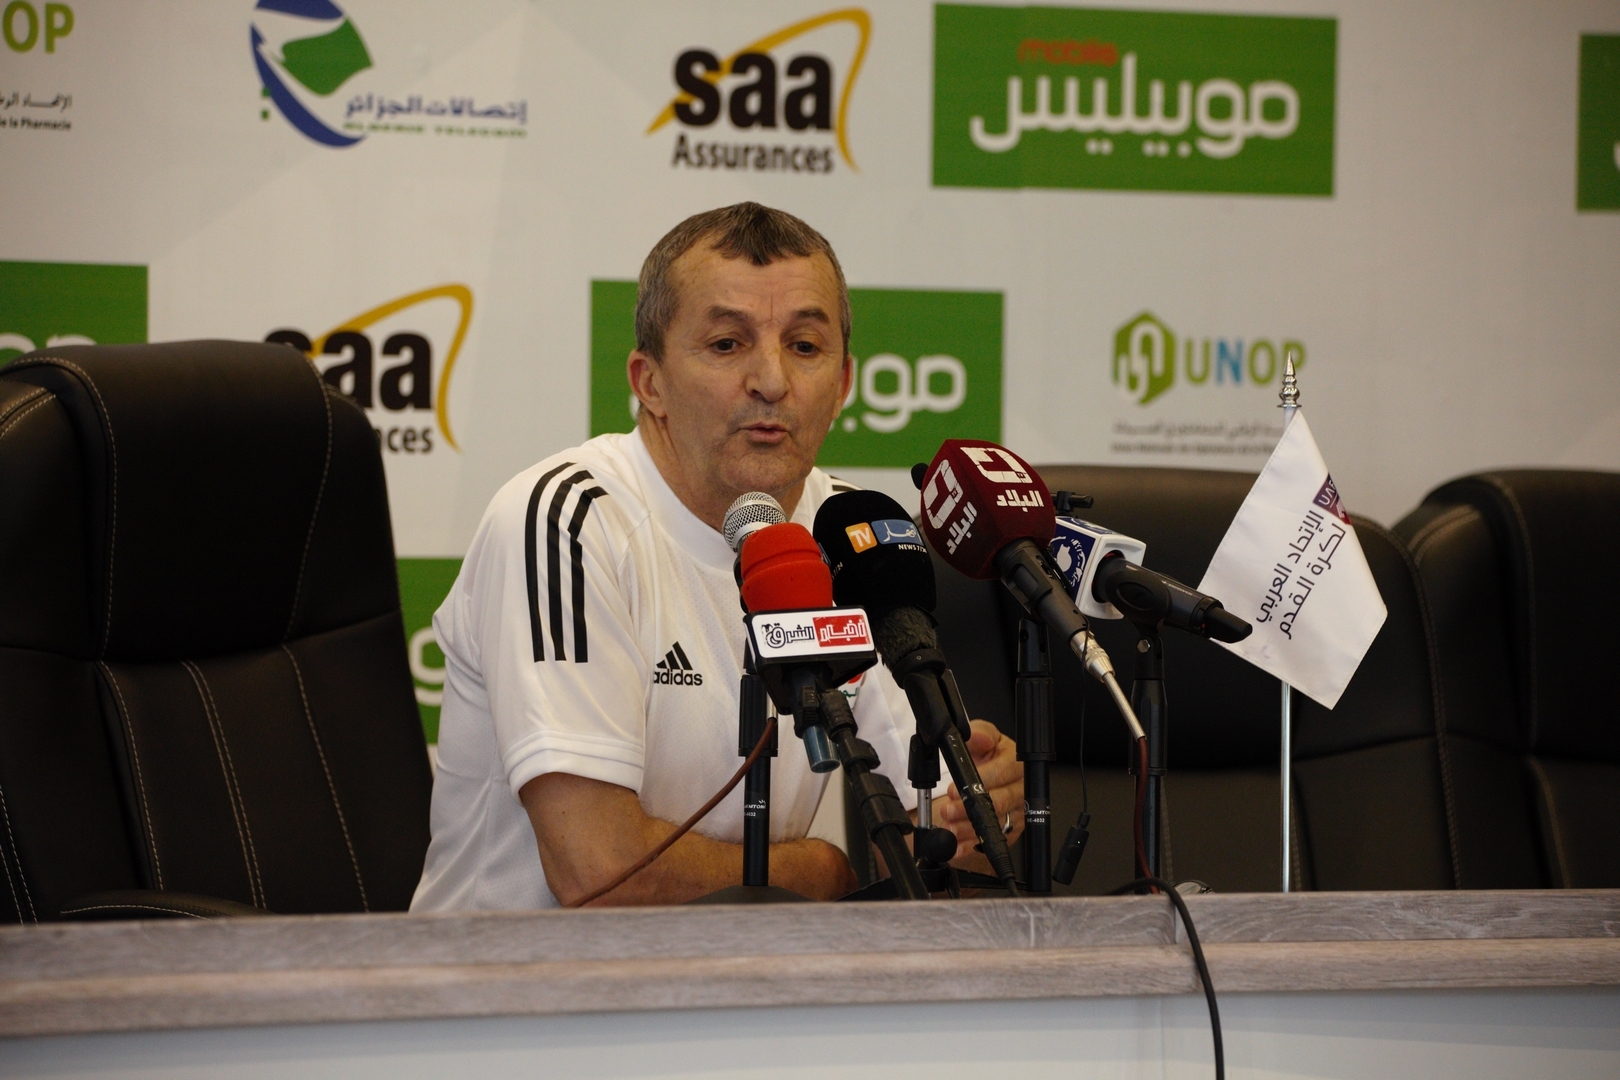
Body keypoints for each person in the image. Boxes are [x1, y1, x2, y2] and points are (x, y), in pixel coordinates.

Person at [411, 203, 1022, 910]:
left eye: (804, 346)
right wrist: (822, 873)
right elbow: (599, 873)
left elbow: (935, 827)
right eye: (728, 344)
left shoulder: (849, 533)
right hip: (517, 976)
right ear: (649, 382)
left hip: (750, 971)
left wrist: (980, 809)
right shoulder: (562, 519)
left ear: (843, 386)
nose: (771, 380)